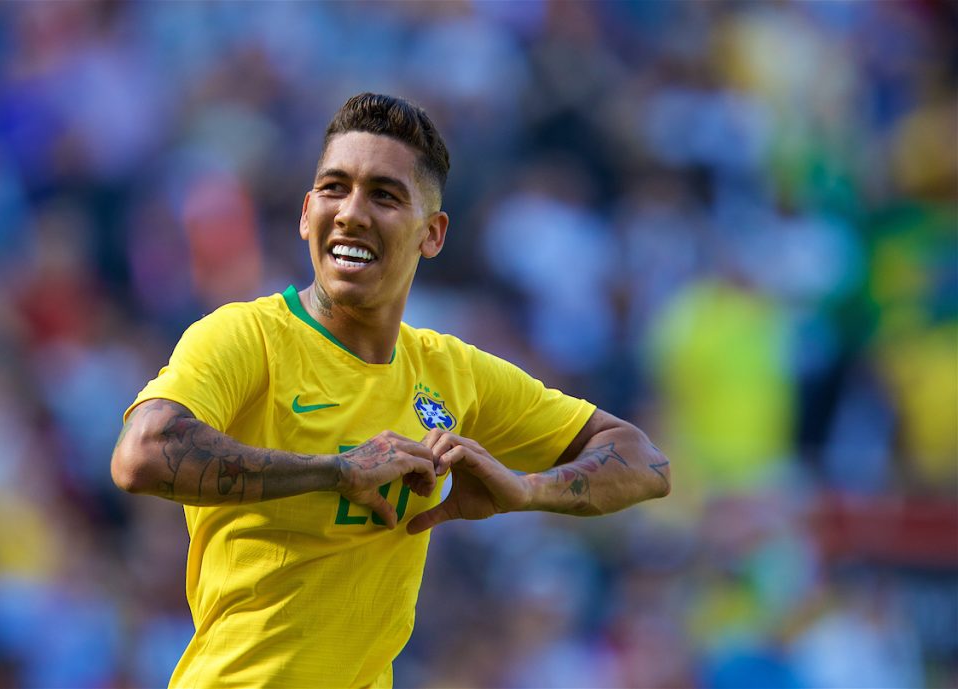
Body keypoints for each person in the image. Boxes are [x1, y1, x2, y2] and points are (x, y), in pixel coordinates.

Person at [111, 92, 671, 689]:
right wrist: (334, 470)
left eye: (384, 194)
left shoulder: (453, 372)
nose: (352, 212)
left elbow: (646, 461)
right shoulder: (247, 337)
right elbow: (141, 453)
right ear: (305, 214)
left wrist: (527, 490)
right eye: (334, 187)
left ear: (433, 234)